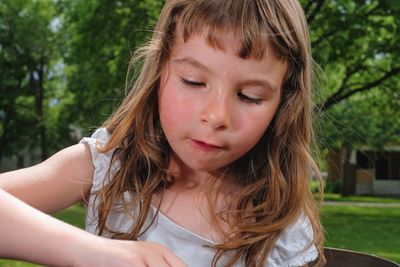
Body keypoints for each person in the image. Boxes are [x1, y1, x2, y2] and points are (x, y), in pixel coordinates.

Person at [0, 0, 325, 266]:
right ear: (160, 70)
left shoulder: (286, 232)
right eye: (193, 82)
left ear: (284, 102)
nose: (216, 116)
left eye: (249, 96)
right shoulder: (106, 167)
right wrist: (91, 253)